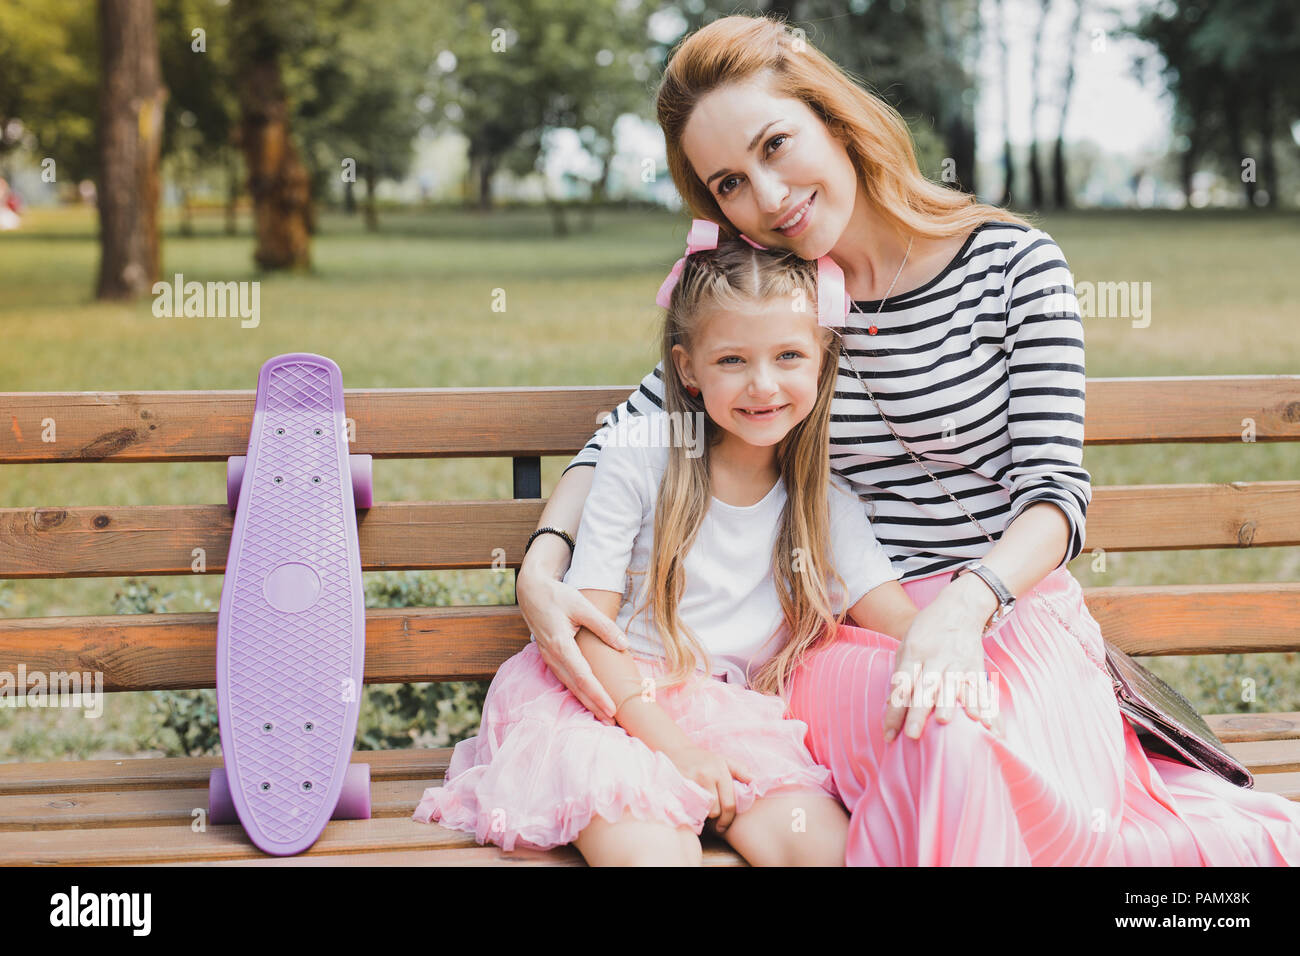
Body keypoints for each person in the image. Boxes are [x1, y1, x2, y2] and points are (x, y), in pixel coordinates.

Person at [518, 14, 1300, 865]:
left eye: (777, 145)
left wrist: (962, 611)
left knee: (984, 741)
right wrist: (542, 560)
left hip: (1005, 613)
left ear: (833, 115)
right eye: (730, 184)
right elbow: (626, 441)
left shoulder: (1014, 267)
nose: (768, 197)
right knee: (941, 731)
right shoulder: (773, 305)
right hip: (842, 638)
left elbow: (1056, 496)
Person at [414, 225, 921, 865]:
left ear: (822, 361)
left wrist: (985, 644)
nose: (763, 384)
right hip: (606, 706)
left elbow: (901, 620)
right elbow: (589, 629)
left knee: (821, 849)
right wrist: (674, 750)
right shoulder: (638, 455)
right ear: (687, 368)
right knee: (654, 854)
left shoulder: (824, 501)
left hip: (731, 717)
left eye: (789, 357)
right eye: (732, 360)